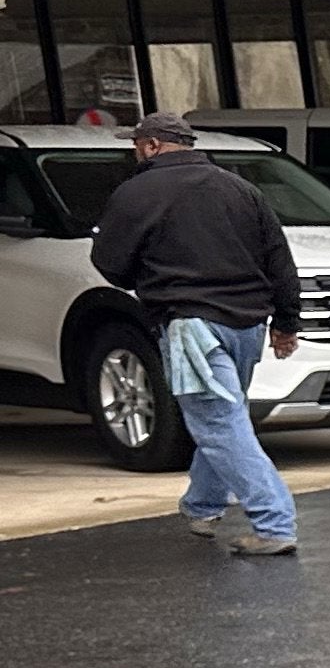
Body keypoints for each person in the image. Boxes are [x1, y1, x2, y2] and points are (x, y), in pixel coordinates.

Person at [88, 113, 300, 555]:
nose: (135, 153)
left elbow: (110, 263)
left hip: (191, 327)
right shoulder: (240, 188)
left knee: (219, 424)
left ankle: (274, 524)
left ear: (151, 146)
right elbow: (279, 260)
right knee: (224, 419)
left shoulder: (136, 192)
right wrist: (285, 323)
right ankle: (202, 506)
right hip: (248, 326)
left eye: (136, 145)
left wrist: (144, 279)